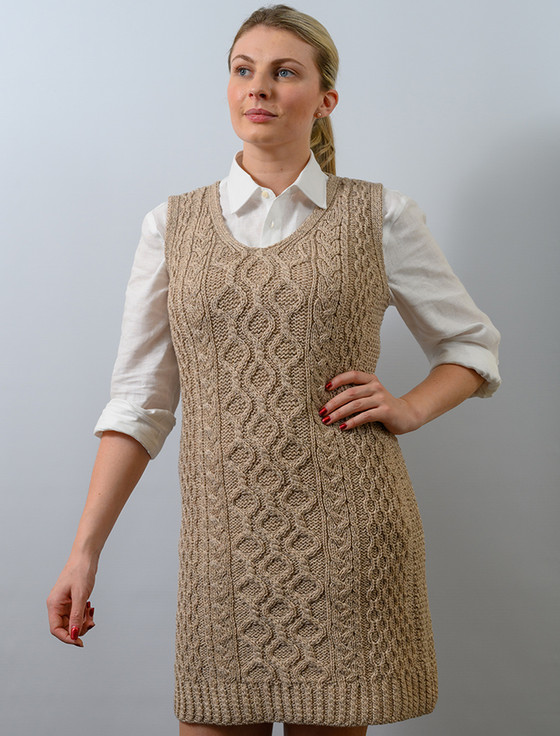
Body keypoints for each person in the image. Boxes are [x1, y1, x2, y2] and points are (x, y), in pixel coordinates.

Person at [46, 4, 501, 736]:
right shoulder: (172, 227)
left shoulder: (379, 216)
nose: (258, 87)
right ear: (229, 87)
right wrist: (83, 552)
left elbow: (473, 346)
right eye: (243, 70)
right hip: (222, 554)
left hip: (350, 541)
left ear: (324, 99)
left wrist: (410, 407)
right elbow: (140, 403)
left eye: (284, 72)